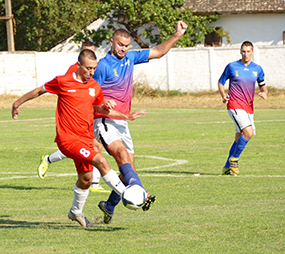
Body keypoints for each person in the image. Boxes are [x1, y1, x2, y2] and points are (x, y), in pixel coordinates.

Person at [11, 49, 147, 228]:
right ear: (79, 65)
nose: (92, 72)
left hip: (86, 138)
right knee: (101, 160)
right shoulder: (63, 81)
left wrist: (125, 116)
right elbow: (39, 91)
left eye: (94, 68)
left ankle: (75, 212)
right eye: (88, 68)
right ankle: (127, 194)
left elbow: (100, 109)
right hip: (67, 139)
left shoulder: (95, 87)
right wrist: (17, 103)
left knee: (86, 179)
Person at [94, 20, 188, 224]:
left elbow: (158, 52)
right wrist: (103, 102)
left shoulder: (130, 58)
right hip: (105, 120)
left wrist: (177, 35)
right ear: (111, 42)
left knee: (129, 171)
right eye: (120, 44)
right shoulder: (103, 65)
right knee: (121, 155)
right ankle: (142, 194)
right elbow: (91, 96)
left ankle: (109, 205)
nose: (123, 49)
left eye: (126, 45)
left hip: (123, 122)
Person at [37, 40, 109, 193]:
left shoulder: (95, 69)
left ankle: (91, 182)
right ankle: (95, 183)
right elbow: (68, 87)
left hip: (88, 114)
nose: (91, 70)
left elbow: (94, 88)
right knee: (87, 147)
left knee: (90, 148)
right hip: (74, 120)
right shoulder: (72, 70)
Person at [218, 41, 267, 176]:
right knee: (248, 132)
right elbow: (221, 82)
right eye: (243, 51)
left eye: (248, 51)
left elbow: (263, 85)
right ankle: (234, 160)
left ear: (252, 52)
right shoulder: (232, 66)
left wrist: (264, 92)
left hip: (249, 107)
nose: (246, 54)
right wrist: (223, 95)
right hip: (234, 104)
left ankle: (227, 167)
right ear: (240, 52)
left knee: (239, 137)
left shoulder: (257, 69)